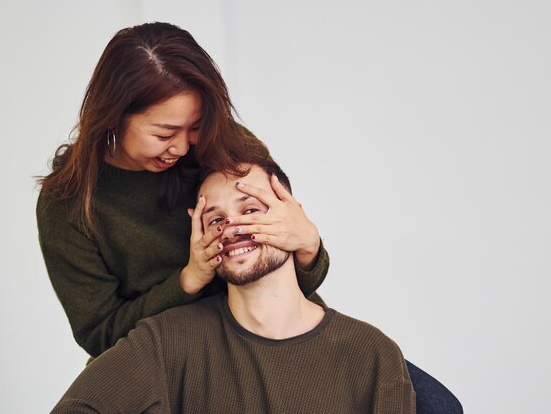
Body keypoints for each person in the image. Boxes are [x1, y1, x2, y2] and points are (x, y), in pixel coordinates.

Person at [37, 22, 462, 414]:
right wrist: (188, 279)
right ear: (113, 116)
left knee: (437, 406)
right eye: (165, 134)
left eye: (195, 126)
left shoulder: (227, 146)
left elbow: (286, 274)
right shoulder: (69, 204)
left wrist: (309, 247)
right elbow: (100, 335)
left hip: (269, 335)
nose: (183, 148)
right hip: (175, 355)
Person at [50, 161, 416, 414]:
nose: (233, 227)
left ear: (292, 215)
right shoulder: (165, 343)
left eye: (252, 210)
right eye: (216, 219)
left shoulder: (373, 355)